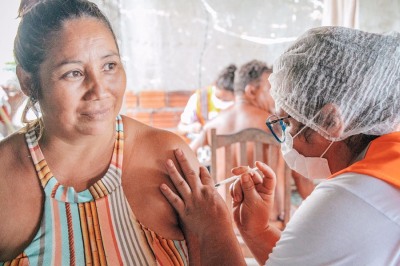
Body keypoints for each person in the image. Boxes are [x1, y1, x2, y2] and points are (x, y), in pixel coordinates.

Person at [160, 26, 400, 265]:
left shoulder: (348, 199)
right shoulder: (385, 171)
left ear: (330, 121)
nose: (286, 138)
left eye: (288, 123)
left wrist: (213, 228)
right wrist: (258, 230)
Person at [0, 0, 201, 265]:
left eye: (109, 66)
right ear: (28, 82)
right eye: (73, 73)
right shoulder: (4, 175)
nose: (100, 90)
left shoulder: (169, 157)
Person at [190, 60, 285, 222]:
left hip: (224, 218)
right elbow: (301, 177)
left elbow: (185, 155)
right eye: (270, 90)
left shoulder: (213, 124)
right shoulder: (275, 125)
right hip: (268, 220)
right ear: (251, 91)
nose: (274, 97)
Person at [177, 64, 236, 141]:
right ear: (215, 84)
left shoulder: (242, 102)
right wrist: (191, 128)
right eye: (219, 97)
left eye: (225, 100)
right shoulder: (199, 98)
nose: (221, 102)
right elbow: (181, 128)